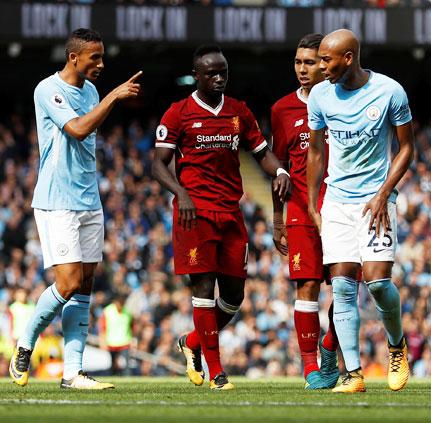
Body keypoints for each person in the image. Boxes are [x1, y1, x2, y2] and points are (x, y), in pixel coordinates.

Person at [152, 45, 290, 391]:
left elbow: (262, 153)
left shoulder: (238, 112)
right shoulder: (178, 113)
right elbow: (157, 163)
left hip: (231, 212)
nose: (218, 78)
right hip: (194, 214)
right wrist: (180, 192)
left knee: (232, 298)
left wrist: (281, 171)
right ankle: (217, 373)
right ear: (196, 75)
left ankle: (193, 343)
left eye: (223, 72)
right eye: (211, 73)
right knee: (202, 290)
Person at [10, 28, 141, 389]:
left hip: (88, 199)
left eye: (102, 57)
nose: (100, 64)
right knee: (66, 283)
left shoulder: (92, 91)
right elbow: (79, 129)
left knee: (84, 285)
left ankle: (73, 372)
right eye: (94, 57)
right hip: (57, 200)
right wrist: (115, 96)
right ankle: (25, 342)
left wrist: (106, 96)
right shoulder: (48, 89)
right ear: (74, 57)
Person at [306, 29, 414, 393]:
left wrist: (385, 193)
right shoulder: (320, 96)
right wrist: (312, 201)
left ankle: (397, 347)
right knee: (342, 287)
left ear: (348, 58)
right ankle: (353, 374)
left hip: (376, 199)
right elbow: (316, 152)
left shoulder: (389, 92)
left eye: (326, 60)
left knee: (379, 281)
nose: (321, 68)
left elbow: (406, 149)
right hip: (337, 201)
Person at [270, 33, 340, 390]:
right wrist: (277, 218)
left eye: (309, 62)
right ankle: (311, 366)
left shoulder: (344, 100)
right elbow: (280, 165)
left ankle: (330, 346)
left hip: (342, 206)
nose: (302, 69)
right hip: (300, 207)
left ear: (326, 64)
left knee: (345, 288)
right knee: (308, 285)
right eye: (298, 62)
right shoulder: (282, 109)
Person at [99, 294, 133, 376]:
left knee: (126, 365)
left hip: (125, 343)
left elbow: (131, 327)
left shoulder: (128, 312)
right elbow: (103, 328)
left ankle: (127, 381)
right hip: (111, 343)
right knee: (112, 364)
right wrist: (102, 341)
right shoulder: (107, 311)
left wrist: (132, 340)